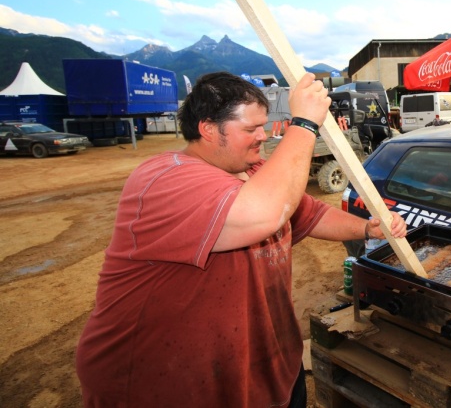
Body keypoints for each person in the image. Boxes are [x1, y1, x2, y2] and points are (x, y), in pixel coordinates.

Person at [76, 71, 407, 407]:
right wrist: (304, 123)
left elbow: (311, 214)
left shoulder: (253, 170)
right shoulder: (164, 178)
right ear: (207, 129)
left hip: (267, 371)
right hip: (168, 385)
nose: (262, 137)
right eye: (250, 129)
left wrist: (367, 229)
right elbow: (265, 214)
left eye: (263, 126)